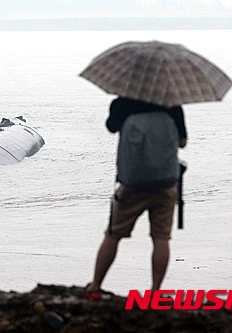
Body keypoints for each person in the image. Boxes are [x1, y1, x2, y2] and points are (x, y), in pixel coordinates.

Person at [87, 97, 188, 294]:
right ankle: (155, 291)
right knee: (161, 238)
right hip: (165, 184)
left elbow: (111, 127)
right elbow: (182, 143)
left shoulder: (123, 102)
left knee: (113, 235)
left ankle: (96, 285)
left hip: (132, 184)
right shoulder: (173, 104)